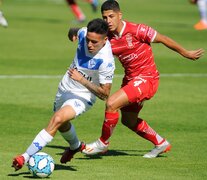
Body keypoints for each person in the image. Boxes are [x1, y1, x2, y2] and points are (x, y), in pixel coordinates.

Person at [82, 0, 205, 158]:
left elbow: (163, 38)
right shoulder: (108, 38)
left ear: (120, 15)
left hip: (147, 79)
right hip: (130, 80)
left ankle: (103, 143)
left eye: (111, 16)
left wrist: (185, 53)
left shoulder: (137, 29)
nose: (108, 21)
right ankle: (161, 143)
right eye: (104, 17)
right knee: (129, 120)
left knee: (111, 103)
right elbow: (93, 46)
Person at [12, 18, 115, 171]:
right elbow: (74, 31)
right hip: (64, 88)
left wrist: (82, 80)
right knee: (62, 124)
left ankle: (25, 157)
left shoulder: (106, 60)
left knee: (58, 119)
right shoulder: (84, 33)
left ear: (105, 39)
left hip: (83, 96)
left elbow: (104, 95)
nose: (89, 45)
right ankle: (76, 146)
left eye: (94, 42)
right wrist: (71, 35)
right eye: (88, 40)